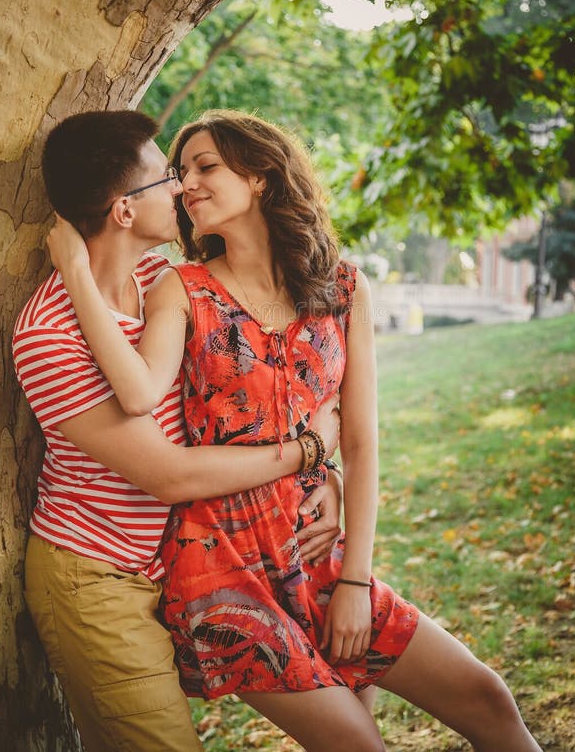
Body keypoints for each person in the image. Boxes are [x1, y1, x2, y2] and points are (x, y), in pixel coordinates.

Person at [49, 110, 542, 752]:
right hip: (222, 566)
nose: (186, 183)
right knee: (359, 744)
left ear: (260, 176)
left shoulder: (340, 286)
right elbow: (141, 393)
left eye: (205, 167)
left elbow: (361, 440)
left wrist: (357, 583)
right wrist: (76, 273)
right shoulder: (181, 289)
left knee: (489, 699)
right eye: (178, 171)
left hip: (316, 551)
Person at [12, 110, 344, 752]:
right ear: (124, 211)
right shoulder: (47, 335)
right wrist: (307, 450)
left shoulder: (162, 283)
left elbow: (252, 404)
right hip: (96, 577)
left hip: (186, 562)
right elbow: (166, 472)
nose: (182, 188)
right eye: (167, 175)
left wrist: (324, 471)